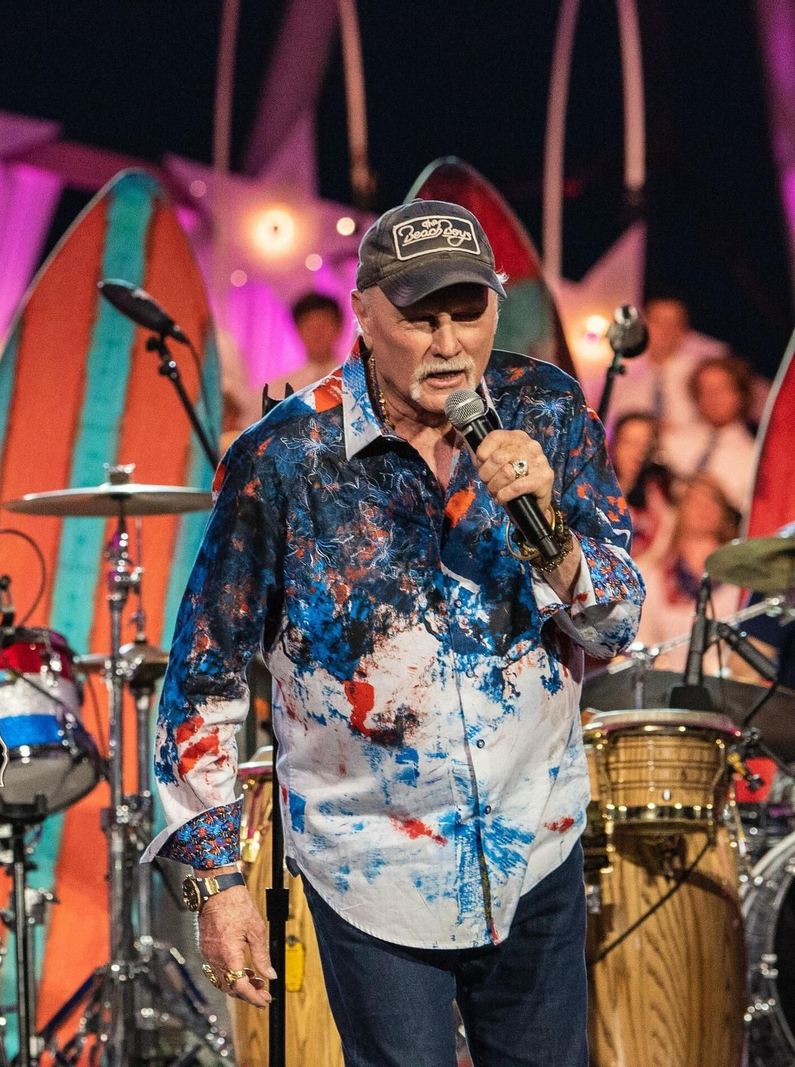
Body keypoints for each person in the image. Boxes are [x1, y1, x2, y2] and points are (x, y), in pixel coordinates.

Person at [153, 200, 643, 1066]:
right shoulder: (285, 456)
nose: (450, 343)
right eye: (421, 316)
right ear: (365, 314)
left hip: (536, 841)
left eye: (469, 311)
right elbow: (205, 675)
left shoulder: (551, 411)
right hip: (373, 864)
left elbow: (615, 624)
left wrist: (553, 537)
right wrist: (218, 884)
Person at [635, 475, 744, 669]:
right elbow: (644, 641)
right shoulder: (655, 578)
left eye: (712, 500)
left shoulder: (738, 580)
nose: (703, 507)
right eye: (694, 499)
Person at [603, 294, 729, 438]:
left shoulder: (700, 372)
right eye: (658, 322)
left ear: (684, 330)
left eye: (674, 323)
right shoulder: (621, 371)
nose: (666, 331)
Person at [662, 354, 759, 514]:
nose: (713, 398)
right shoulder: (672, 442)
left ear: (741, 395)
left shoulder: (753, 457)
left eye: (722, 389)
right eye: (705, 390)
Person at [610, 412, 674, 557]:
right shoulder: (595, 494)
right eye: (629, 442)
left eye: (645, 445)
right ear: (614, 445)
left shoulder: (662, 499)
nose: (637, 451)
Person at [263, 291, 348, 398]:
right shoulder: (280, 390)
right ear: (297, 330)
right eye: (310, 327)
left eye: (323, 325)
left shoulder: (358, 383)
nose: (317, 333)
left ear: (339, 327)